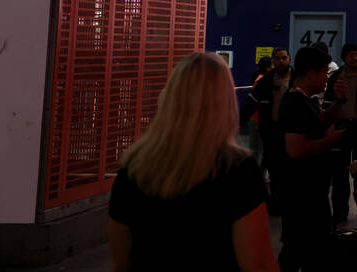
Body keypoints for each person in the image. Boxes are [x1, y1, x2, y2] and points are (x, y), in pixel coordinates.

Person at [108, 52, 279, 272]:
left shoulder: (133, 169)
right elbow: (258, 264)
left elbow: (122, 263)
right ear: (224, 101)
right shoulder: (237, 170)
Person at [278, 45, 348, 272]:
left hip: (313, 189)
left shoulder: (307, 100)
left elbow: (321, 122)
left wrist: (339, 102)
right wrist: (333, 139)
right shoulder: (294, 103)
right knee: (298, 249)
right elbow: (296, 149)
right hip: (301, 193)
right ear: (311, 72)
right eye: (324, 72)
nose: (326, 78)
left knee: (311, 248)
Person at [324, 43, 357, 220]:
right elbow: (327, 103)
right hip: (341, 128)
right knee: (339, 171)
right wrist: (329, 126)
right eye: (351, 55)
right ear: (344, 57)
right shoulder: (336, 78)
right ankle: (340, 210)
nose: (355, 58)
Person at [239, 47, 293, 212]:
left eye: (284, 58)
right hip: (271, 132)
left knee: (291, 168)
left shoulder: (297, 79)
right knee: (273, 167)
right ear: (273, 61)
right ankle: (276, 201)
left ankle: (289, 200)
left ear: (289, 59)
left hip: (292, 133)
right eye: (277, 58)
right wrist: (240, 123)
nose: (281, 61)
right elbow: (250, 104)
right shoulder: (265, 82)